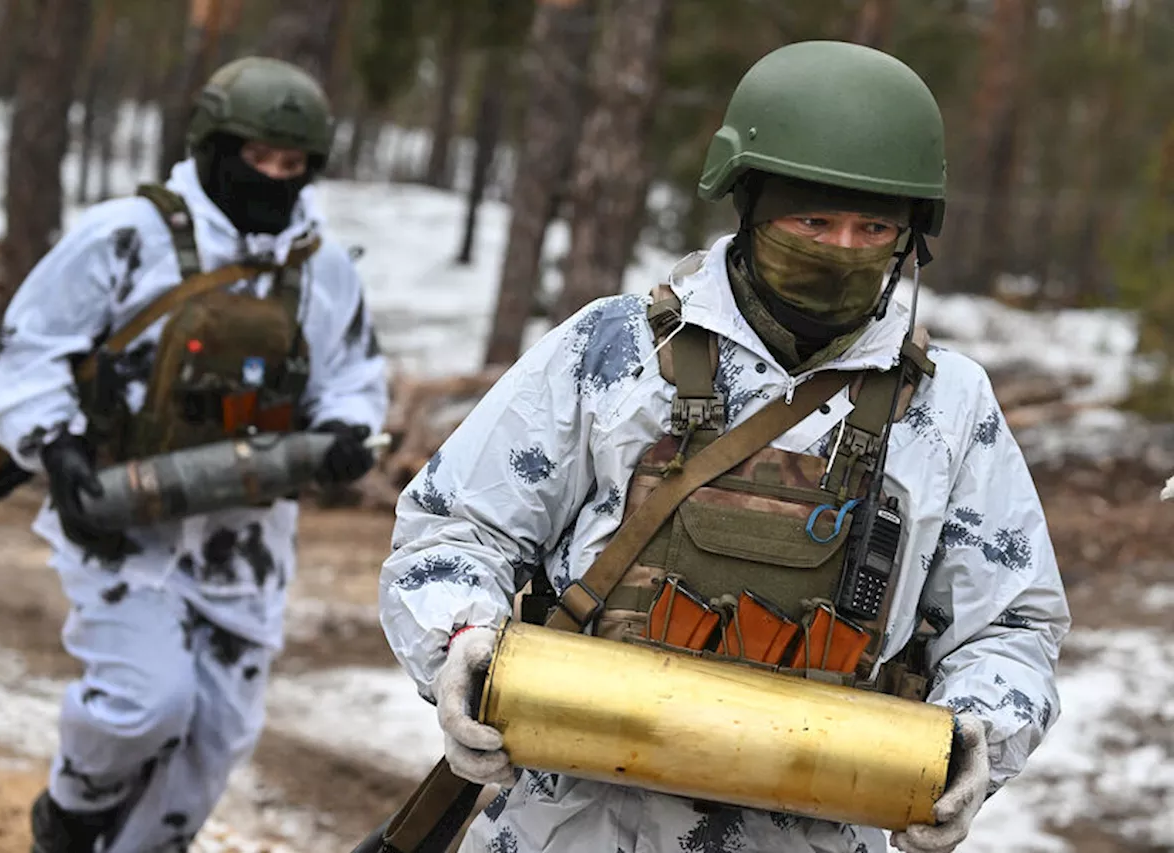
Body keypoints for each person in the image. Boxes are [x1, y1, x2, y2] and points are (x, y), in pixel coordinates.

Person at [379, 40, 1069, 853]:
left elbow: (1011, 624)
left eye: (872, 226)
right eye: (813, 220)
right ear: (749, 205)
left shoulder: (950, 408)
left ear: (909, 238)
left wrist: (974, 737)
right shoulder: (613, 351)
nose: (842, 248)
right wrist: (461, 644)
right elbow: (457, 528)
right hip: (562, 826)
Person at [0, 57, 387, 853]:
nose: (275, 177)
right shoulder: (127, 237)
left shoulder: (321, 269)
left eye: (293, 164)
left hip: (245, 544)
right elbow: (31, 346)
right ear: (213, 144)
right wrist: (55, 447)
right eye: (258, 157)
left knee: (216, 738)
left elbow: (354, 371)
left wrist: (345, 432)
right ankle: (67, 820)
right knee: (145, 703)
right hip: (126, 527)